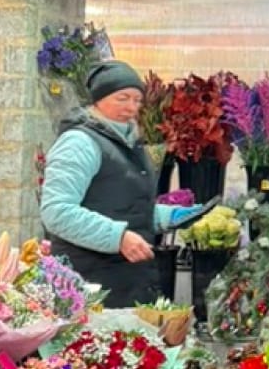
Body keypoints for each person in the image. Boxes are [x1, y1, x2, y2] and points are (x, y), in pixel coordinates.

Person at [41, 60, 203, 307]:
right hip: (88, 285)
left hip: (127, 282)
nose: (131, 107)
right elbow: (57, 212)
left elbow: (117, 204)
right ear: (99, 99)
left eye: (137, 100)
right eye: (122, 98)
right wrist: (118, 237)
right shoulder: (79, 143)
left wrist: (164, 216)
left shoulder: (129, 143)